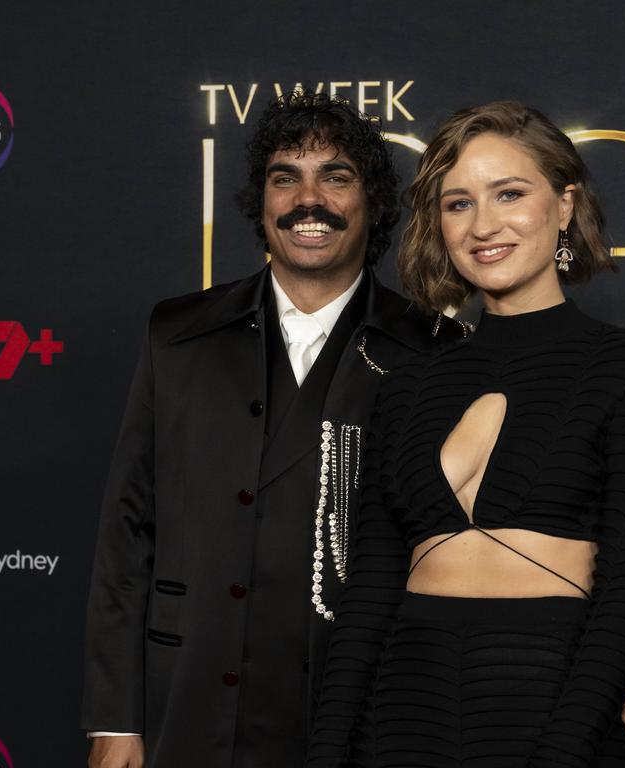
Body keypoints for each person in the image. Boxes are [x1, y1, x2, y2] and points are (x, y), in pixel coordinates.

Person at [79, 91, 470, 768]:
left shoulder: (434, 351)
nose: (306, 200)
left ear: (373, 202)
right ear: (261, 202)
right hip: (188, 700)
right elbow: (127, 530)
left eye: (335, 178)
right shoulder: (177, 334)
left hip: (358, 714)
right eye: (285, 177)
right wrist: (115, 718)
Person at [307, 102, 625, 767]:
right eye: (458, 204)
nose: (484, 225)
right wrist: (324, 756)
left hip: (550, 703)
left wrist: (564, 752)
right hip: (403, 712)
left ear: (564, 206)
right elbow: (369, 595)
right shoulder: (406, 386)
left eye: (509, 194)